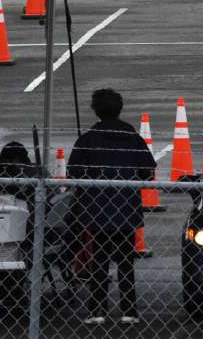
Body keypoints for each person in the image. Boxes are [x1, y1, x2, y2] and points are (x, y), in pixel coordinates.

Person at [66, 88, 157, 325]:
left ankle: (97, 310)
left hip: (96, 210)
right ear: (120, 109)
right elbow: (148, 172)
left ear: (95, 110)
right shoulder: (133, 138)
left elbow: (73, 172)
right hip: (126, 209)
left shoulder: (87, 140)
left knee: (98, 263)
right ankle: (129, 311)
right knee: (126, 262)